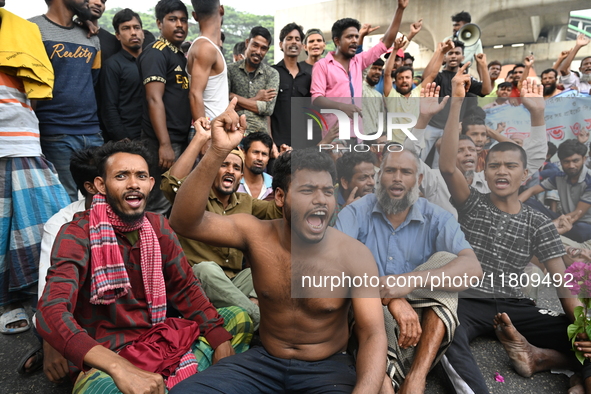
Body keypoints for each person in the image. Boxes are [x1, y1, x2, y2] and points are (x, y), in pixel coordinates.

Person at [168, 99, 387, 393]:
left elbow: (372, 332)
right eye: (308, 190)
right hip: (263, 362)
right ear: (281, 197)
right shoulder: (255, 233)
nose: (320, 200)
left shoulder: (354, 255)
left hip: (327, 370)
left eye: (326, 191)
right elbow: (183, 221)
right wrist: (218, 150)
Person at [36, 140, 253, 393]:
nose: (133, 183)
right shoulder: (76, 234)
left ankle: (176, 382)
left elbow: (186, 289)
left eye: (140, 176)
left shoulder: (158, 226)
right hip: (106, 361)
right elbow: (50, 311)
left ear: (150, 184)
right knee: (96, 389)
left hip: (157, 341)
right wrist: (119, 368)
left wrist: (219, 339)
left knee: (238, 319)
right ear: (100, 186)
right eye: (121, 176)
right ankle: (193, 381)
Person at [438, 66, 580, 394]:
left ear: (524, 174)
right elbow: (447, 167)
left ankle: (560, 367)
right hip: (469, 300)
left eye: (511, 166)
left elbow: (562, 282)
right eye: (495, 166)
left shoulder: (538, 221)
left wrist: (581, 328)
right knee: (445, 332)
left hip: (516, 304)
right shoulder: (471, 202)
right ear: (484, 172)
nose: (502, 171)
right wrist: (457, 103)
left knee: (580, 335)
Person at [335, 147, 480, 393]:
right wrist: (391, 299)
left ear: (419, 179)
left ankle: (415, 377)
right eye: (390, 170)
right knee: (369, 313)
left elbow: (472, 268)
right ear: (380, 175)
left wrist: (410, 281)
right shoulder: (355, 212)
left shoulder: (436, 216)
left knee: (447, 261)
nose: (397, 178)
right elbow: (337, 268)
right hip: (369, 310)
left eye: (406, 172)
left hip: (423, 312)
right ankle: (387, 376)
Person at [161, 123, 282, 330]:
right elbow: (170, 184)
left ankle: (243, 315)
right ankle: (262, 322)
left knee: (268, 264)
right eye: (224, 165)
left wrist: (284, 166)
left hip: (234, 284)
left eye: (236, 168)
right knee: (206, 268)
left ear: (241, 177)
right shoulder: (195, 197)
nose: (230, 171)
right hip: (196, 283)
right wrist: (200, 137)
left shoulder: (247, 202)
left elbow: (280, 209)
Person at [0, 0, 71, 336]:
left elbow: (39, 89)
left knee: (42, 226)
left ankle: (35, 297)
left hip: (23, 139)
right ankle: (6, 303)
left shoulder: (24, 30)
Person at [19, 148, 99, 378]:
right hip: (80, 309)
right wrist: (51, 342)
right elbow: (48, 295)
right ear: (94, 186)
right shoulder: (60, 225)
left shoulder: (132, 212)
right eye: (119, 176)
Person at [29, 0, 104, 201]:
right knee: (64, 199)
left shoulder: (90, 35)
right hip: (55, 132)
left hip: (92, 131)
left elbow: (93, 81)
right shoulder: (32, 29)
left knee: (102, 196)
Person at [311, 0, 409, 139]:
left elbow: (386, 42)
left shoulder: (359, 61)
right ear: (337, 41)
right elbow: (316, 98)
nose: (355, 40)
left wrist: (400, 9)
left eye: (356, 36)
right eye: (349, 37)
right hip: (334, 135)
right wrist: (342, 107)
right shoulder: (322, 65)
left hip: (357, 135)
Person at [138, 0, 191, 215]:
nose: (179, 25)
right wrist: (165, 144)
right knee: (159, 204)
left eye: (183, 20)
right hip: (162, 142)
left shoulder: (178, 55)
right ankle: (149, 248)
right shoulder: (156, 52)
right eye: (173, 19)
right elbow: (154, 99)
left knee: (175, 200)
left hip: (180, 139)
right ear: (160, 23)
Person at [421, 40, 491, 168]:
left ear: (462, 57)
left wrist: (483, 65)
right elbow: (426, 78)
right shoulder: (439, 76)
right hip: (432, 126)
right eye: (450, 53)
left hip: (451, 129)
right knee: (418, 159)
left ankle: (439, 188)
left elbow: (486, 90)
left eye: (457, 53)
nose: (453, 56)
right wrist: (439, 53)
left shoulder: (466, 78)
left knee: (440, 165)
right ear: (445, 57)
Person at [520, 139, 591, 243]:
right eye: (566, 161)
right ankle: (551, 229)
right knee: (527, 202)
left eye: (575, 161)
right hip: (564, 219)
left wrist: (551, 225)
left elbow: (577, 213)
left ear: (584, 159)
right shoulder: (559, 176)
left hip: (584, 223)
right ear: (561, 161)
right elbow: (531, 191)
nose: (571, 166)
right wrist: (511, 205)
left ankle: (546, 230)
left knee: (580, 232)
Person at [100, 8, 145, 141]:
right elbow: (108, 106)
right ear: (118, 35)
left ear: (143, 32)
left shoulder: (153, 62)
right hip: (128, 136)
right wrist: (121, 137)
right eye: (126, 28)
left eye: (136, 27)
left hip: (153, 136)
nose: (133, 33)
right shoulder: (112, 65)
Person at [228, 26, 279, 134]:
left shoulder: (272, 74)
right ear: (247, 43)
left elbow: (268, 109)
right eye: (255, 45)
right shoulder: (230, 70)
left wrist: (234, 96)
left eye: (263, 48)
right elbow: (225, 107)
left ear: (267, 50)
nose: (258, 51)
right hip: (233, 133)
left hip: (260, 137)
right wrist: (257, 98)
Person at [271, 22, 312, 147]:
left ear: (302, 45)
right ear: (281, 45)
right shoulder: (272, 73)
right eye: (289, 39)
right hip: (277, 146)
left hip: (301, 145)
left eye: (297, 39)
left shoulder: (308, 78)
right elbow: (266, 112)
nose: (294, 42)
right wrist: (271, 143)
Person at [187, 0, 228, 121]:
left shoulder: (206, 46)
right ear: (221, 10)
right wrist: (205, 135)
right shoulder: (205, 47)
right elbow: (195, 94)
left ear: (194, 16)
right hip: (209, 130)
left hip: (215, 129)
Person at [237, 132, 274, 201]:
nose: (260, 158)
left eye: (264, 154)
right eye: (255, 152)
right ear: (244, 153)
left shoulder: (274, 185)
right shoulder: (233, 182)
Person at [448, 11, 483, 79]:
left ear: (466, 25)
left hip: (464, 73)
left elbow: (480, 62)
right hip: (448, 73)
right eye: (454, 25)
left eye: (457, 25)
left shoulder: (476, 41)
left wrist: (482, 82)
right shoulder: (448, 40)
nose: (454, 28)